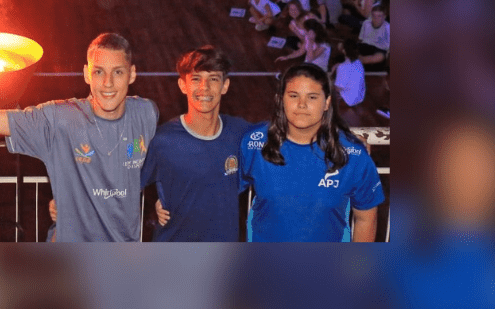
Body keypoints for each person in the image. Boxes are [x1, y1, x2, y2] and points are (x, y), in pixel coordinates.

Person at [0, 30, 158, 242]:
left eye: (118, 72)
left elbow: (165, 159)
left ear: (132, 74)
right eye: (98, 72)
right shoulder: (58, 120)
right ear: (86, 74)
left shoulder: (146, 114)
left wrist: (163, 198)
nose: (107, 83)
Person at [239, 63, 384, 241]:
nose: (302, 105)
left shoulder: (353, 154)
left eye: (312, 97)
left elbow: (366, 219)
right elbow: (219, 195)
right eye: (293, 96)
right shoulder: (253, 144)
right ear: (280, 99)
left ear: (327, 102)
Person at [142, 47, 253, 241]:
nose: (204, 87)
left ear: (225, 85)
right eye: (196, 79)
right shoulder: (162, 141)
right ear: (182, 85)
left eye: (214, 79)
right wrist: (154, 207)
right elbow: (129, 184)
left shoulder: (242, 134)